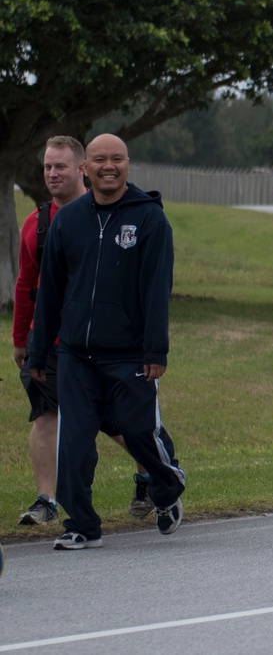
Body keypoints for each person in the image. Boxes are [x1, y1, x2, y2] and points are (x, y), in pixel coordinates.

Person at [28, 134, 186, 550]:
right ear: (87, 167)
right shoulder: (69, 219)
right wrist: (39, 350)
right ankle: (82, 525)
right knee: (74, 441)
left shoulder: (149, 218)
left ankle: (167, 486)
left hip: (130, 352)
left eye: (117, 159)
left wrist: (156, 350)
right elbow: (50, 292)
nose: (108, 166)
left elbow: (156, 289)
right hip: (76, 354)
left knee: (137, 431)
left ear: (128, 164)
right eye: (100, 159)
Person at [12, 137, 153, 526]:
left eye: (60, 167)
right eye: (47, 167)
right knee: (45, 415)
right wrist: (22, 339)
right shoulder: (36, 224)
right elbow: (28, 284)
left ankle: (152, 476)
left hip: (105, 343)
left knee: (118, 422)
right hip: (53, 343)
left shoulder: (109, 216)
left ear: (82, 170)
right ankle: (47, 500)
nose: (52, 174)